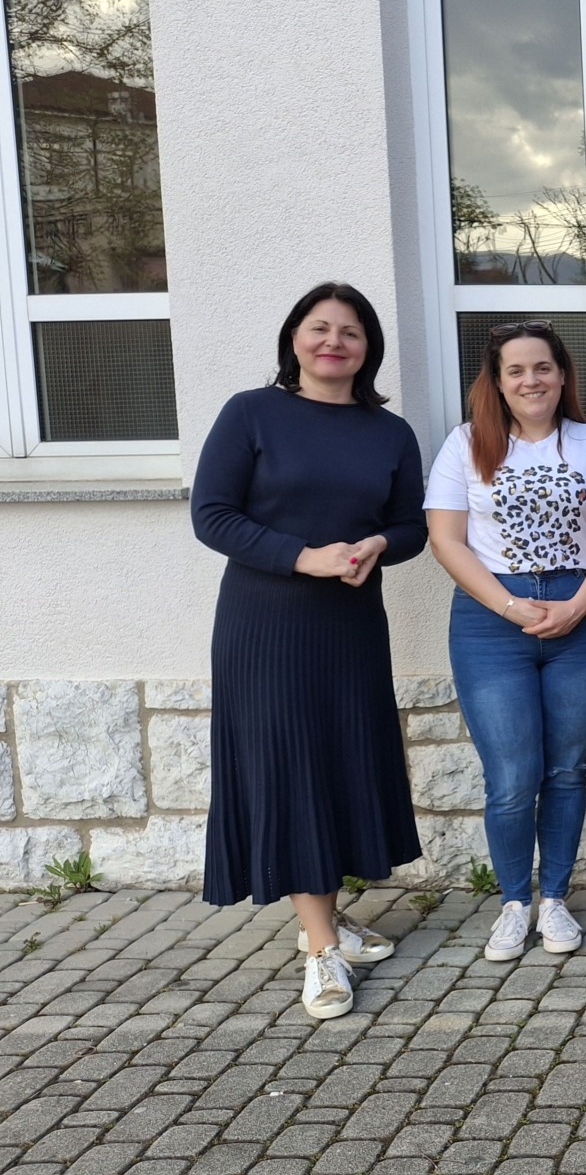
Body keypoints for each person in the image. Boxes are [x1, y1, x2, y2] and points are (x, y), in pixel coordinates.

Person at [192, 282, 427, 1020]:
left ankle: (329, 919)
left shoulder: (388, 432)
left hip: (352, 626)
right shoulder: (251, 413)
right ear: (294, 338)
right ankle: (321, 949)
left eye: (350, 332)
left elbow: (412, 523)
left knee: (339, 763)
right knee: (290, 767)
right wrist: (305, 558)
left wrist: (380, 544)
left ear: (368, 347)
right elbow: (212, 515)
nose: (334, 342)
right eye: (320, 328)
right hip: (266, 625)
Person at [426, 324, 586, 963]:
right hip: (492, 626)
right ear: (497, 381)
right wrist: (513, 607)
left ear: (563, 375)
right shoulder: (465, 446)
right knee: (512, 776)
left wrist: (579, 606)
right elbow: (447, 541)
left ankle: (556, 901)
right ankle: (515, 902)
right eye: (516, 371)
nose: (531, 381)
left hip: (583, 621)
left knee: (566, 768)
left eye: (542, 368)